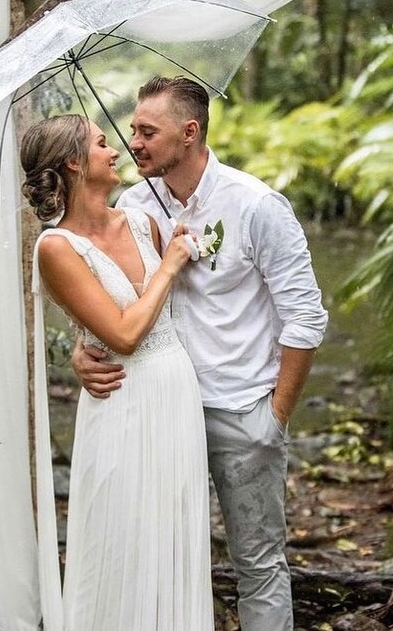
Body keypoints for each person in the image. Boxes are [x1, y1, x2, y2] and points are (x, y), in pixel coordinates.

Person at [74, 76, 329, 631]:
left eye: (147, 131)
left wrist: (274, 417)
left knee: (257, 565)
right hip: (159, 413)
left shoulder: (257, 206)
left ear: (189, 133)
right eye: (132, 130)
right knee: (159, 562)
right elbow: (109, 292)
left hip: (242, 412)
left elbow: (306, 317)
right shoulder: (132, 204)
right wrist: (81, 349)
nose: (133, 141)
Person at [20, 113, 214, 631]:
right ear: (74, 163)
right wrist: (170, 265)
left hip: (175, 392)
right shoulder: (55, 248)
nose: (118, 150)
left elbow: (157, 315)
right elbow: (123, 334)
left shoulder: (141, 221)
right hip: (121, 400)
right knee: (121, 533)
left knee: (173, 530)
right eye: (103, 144)